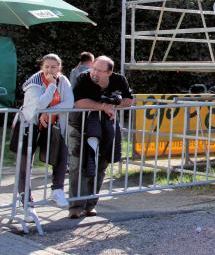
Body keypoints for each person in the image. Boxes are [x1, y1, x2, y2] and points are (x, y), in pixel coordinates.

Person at [67, 55, 133, 219]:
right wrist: (103, 106)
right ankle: (75, 206)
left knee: (101, 164)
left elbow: (129, 100)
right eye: (93, 68)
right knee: (79, 165)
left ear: (109, 72)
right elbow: (78, 102)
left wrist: (114, 103)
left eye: (99, 70)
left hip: (106, 128)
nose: (94, 73)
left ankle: (90, 205)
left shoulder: (119, 80)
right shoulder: (83, 78)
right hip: (79, 127)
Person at [15, 54, 73, 221]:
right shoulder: (34, 83)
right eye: (46, 66)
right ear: (42, 67)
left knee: (61, 151)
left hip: (52, 124)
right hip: (29, 124)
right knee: (25, 162)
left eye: (53, 67)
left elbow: (69, 103)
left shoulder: (64, 81)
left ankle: (58, 189)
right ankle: (26, 203)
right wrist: (52, 87)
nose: (50, 70)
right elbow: (39, 104)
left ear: (59, 68)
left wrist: (51, 112)